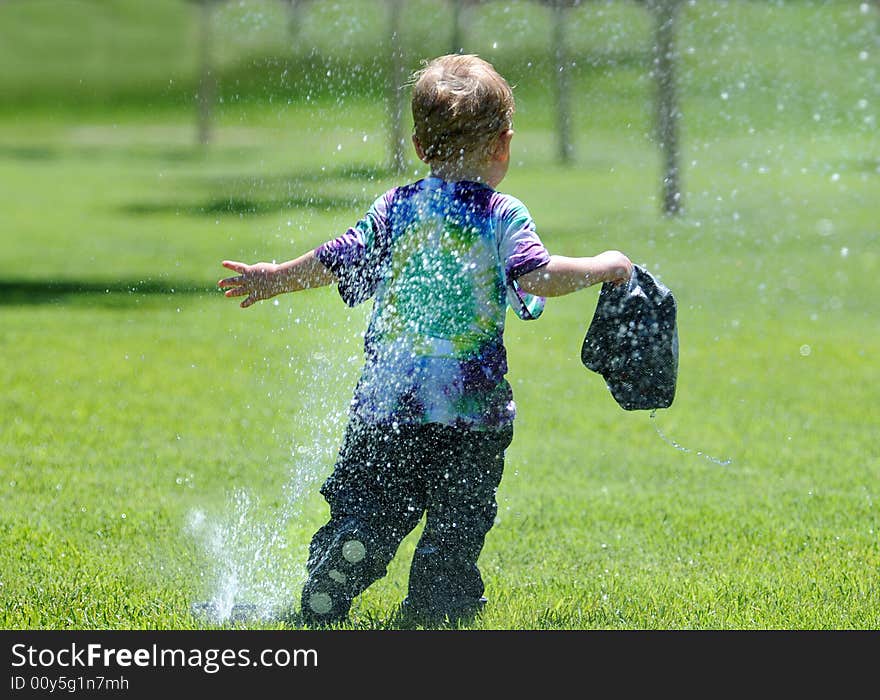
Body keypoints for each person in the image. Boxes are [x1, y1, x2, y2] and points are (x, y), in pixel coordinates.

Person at [218, 54, 632, 627]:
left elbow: (339, 260)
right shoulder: (501, 214)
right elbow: (537, 277)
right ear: (503, 145)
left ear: (419, 145)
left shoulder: (397, 208)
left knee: (370, 501)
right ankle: (441, 599)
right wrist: (606, 264)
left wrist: (274, 277)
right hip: (470, 415)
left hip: (387, 408)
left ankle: (350, 549)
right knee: (457, 522)